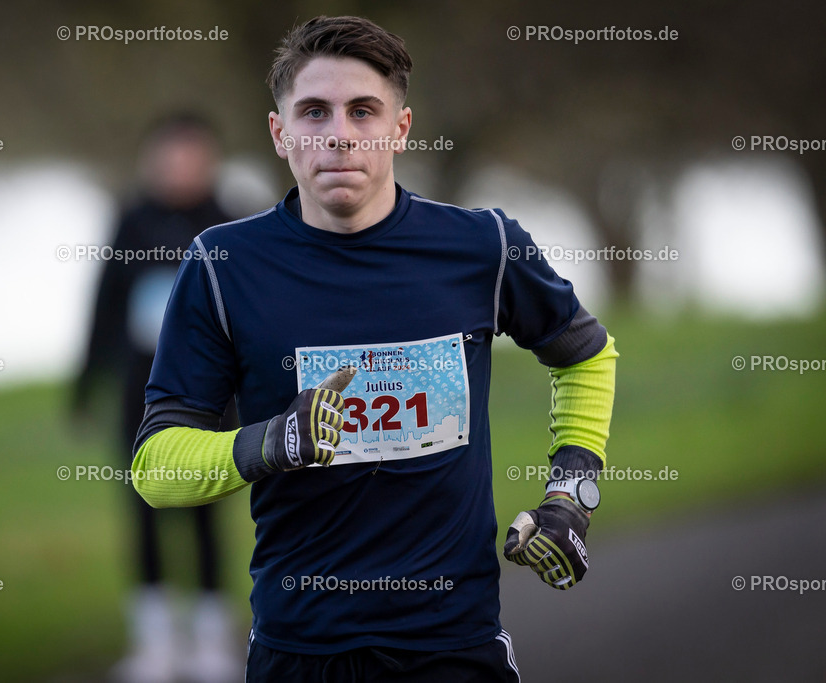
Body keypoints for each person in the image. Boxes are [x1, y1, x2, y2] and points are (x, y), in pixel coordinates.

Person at [131, 16, 618, 682]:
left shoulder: (482, 247)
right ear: (280, 134)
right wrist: (273, 442)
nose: (339, 133)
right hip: (300, 650)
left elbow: (586, 354)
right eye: (313, 112)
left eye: (364, 110)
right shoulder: (222, 265)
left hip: (455, 644)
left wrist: (571, 494)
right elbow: (156, 466)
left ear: (401, 128)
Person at [73, 112, 239, 683]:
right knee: (142, 514)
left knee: (205, 515)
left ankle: (213, 641)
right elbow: (102, 307)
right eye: (168, 158)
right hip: (138, 397)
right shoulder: (131, 221)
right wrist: (84, 386)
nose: (178, 169)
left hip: (214, 400)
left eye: (191, 158)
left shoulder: (229, 223)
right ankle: (155, 644)